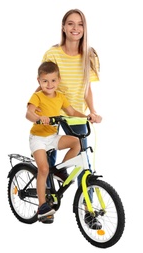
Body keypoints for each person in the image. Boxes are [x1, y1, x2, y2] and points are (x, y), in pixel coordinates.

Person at [35, 9, 102, 228]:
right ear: (63, 27)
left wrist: (92, 111)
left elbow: (87, 89)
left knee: (84, 164)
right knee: (49, 162)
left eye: (80, 24)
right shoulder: (52, 54)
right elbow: (44, 85)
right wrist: (36, 109)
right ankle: (46, 206)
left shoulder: (88, 55)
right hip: (54, 115)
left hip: (76, 117)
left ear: (84, 28)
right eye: (71, 24)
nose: (75, 28)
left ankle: (88, 211)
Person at [26, 61, 93, 222]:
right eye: (45, 81)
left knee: (76, 142)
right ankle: (42, 206)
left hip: (52, 137)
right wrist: (38, 118)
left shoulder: (60, 97)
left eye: (53, 81)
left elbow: (72, 111)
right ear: (39, 81)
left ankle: (59, 171)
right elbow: (28, 113)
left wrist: (88, 116)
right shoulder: (37, 96)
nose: (49, 85)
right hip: (38, 139)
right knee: (43, 169)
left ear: (59, 80)